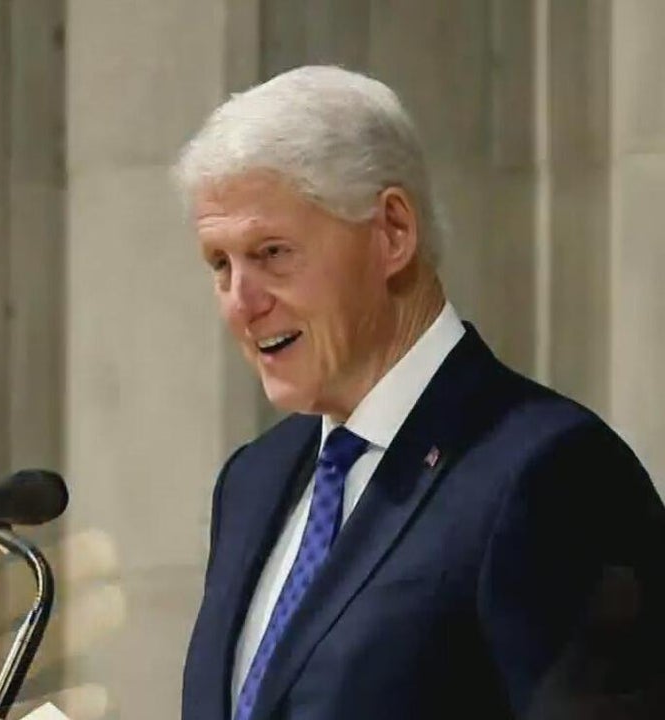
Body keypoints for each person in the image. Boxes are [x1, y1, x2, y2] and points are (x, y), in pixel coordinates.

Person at [175, 65, 665, 720]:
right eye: (220, 263)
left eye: (272, 253)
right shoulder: (251, 482)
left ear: (393, 232)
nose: (242, 303)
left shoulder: (552, 473)